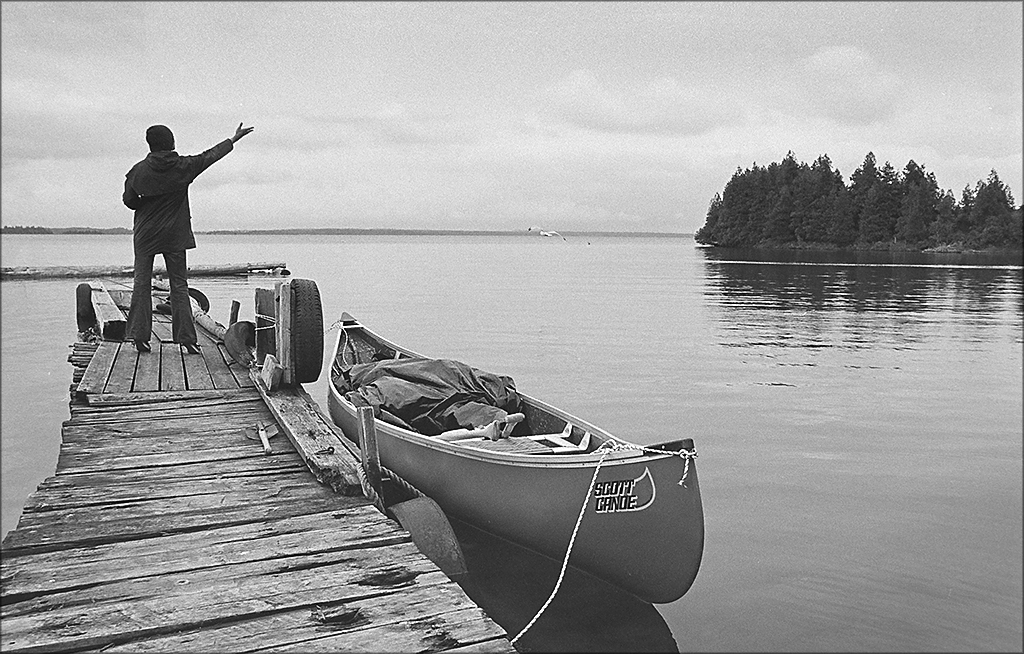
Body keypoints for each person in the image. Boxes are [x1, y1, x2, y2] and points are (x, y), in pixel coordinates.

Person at [122, 122, 254, 353]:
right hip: (175, 234)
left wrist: (147, 202)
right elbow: (210, 156)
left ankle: (139, 338)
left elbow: (129, 201)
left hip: (146, 234)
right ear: (171, 143)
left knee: (141, 284)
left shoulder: (138, 171)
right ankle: (187, 340)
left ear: (150, 145)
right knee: (179, 286)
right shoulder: (184, 166)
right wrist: (233, 139)